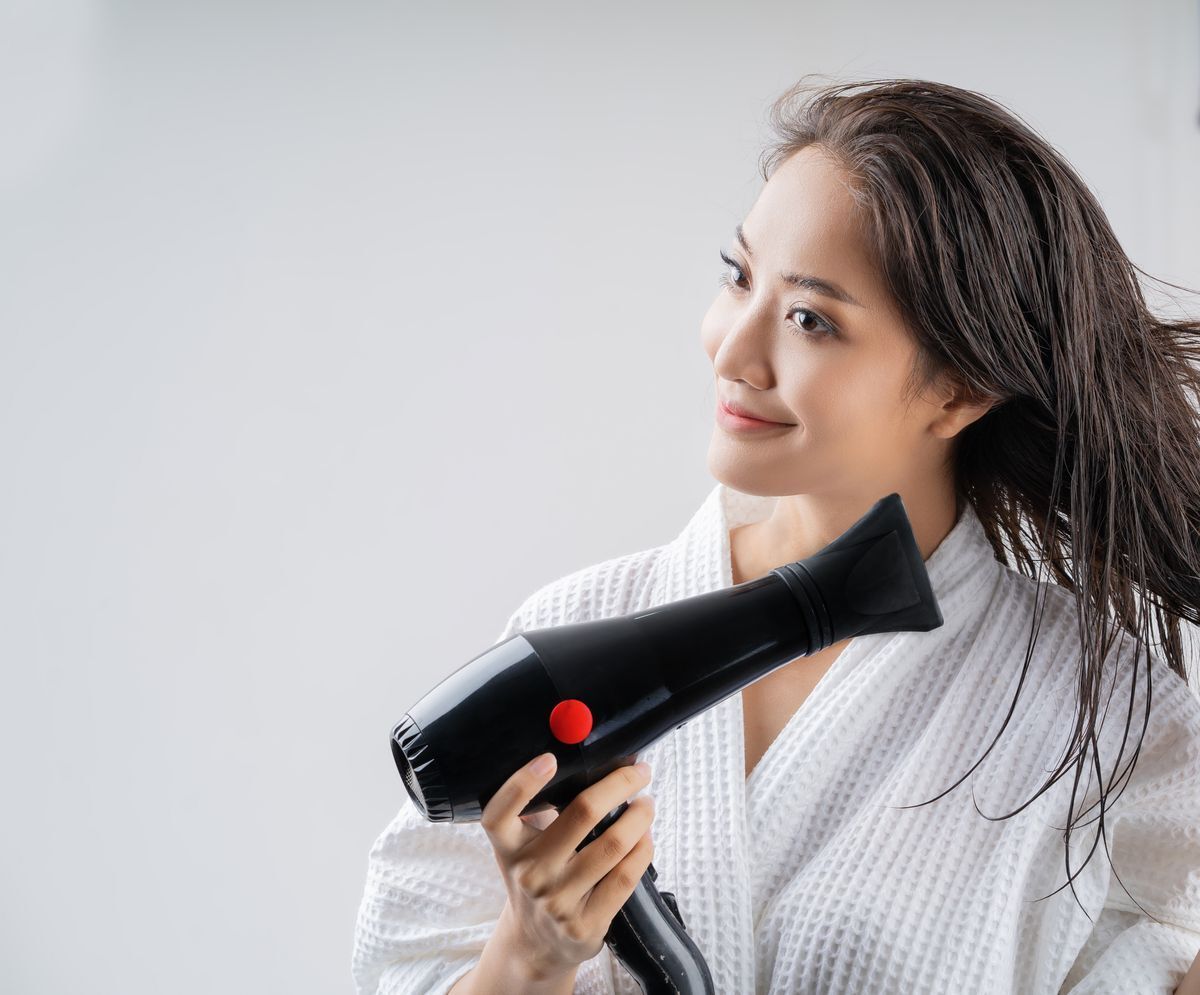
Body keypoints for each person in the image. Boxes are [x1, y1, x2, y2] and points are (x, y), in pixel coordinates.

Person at [351, 76, 1200, 994]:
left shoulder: (1107, 716)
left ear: (957, 390)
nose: (731, 349)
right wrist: (532, 952)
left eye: (810, 319)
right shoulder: (574, 627)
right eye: (738, 276)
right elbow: (406, 961)